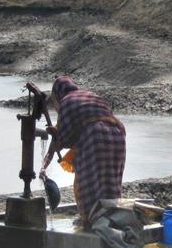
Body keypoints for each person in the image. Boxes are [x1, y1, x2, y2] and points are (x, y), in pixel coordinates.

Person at [39, 76, 125, 226]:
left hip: (95, 137)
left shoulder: (66, 102)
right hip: (117, 136)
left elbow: (63, 140)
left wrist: (56, 135)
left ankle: (88, 220)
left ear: (58, 95)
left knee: (87, 180)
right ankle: (112, 216)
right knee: (110, 179)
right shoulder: (91, 95)